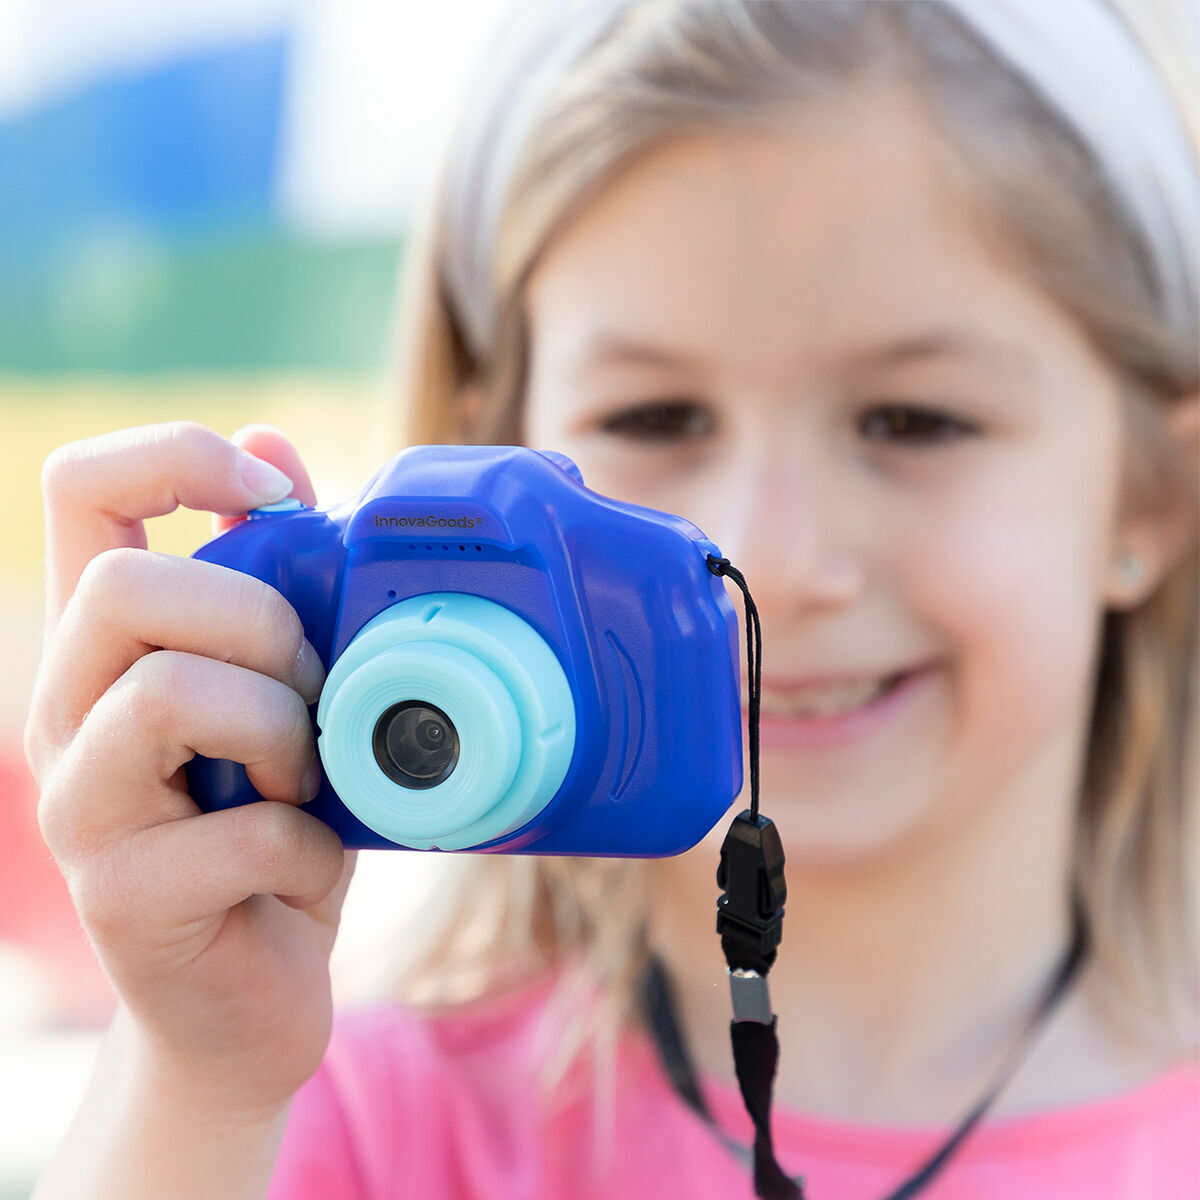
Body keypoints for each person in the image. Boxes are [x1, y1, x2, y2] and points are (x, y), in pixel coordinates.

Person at [22, 1, 1199, 1197]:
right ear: (477, 466)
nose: (777, 560)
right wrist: (194, 1083)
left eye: (916, 420)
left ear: (1154, 498)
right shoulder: (323, 1109)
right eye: (656, 418)